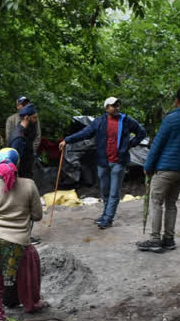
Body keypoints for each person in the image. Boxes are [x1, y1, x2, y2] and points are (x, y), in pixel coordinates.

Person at [59, 97, 147, 229]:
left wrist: (129, 145)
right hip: (103, 162)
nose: (116, 108)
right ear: (107, 108)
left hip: (119, 161)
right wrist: (67, 140)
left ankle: (108, 218)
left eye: (118, 105)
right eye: (113, 105)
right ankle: (106, 214)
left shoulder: (126, 120)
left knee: (114, 192)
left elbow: (142, 132)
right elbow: (85, 133)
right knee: (104, 190)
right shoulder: (100, 121)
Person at [0, 148, 44, 321]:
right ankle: (32, 304)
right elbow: (37, 215)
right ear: (17, 165)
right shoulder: (29, 185)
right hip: (20, 242)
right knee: (29, 273)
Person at [137, 86, 180, 253]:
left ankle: (154, 240)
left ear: (177, 100)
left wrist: (148, 166)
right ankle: (169, 239)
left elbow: (158, 144)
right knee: (171, 204)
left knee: (156, 201)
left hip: (166, 168)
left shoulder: (171, 119)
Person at [5, 95, 41, 162]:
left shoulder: (34, 119)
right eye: (23, 104)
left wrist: (31, 151)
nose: (26, 105)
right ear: (18, 106)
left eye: (27, 103)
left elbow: (37, 136)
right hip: (14, 153)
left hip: (30, 154)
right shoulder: (11, 119)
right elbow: (8, 138)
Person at [9, 103, 40, 179]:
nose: (36, 121)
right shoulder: (19, 138)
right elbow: (14, 163)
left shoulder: (25, 132)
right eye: (34, 118)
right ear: (26, 118)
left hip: (26, 174)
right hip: (20, 178)